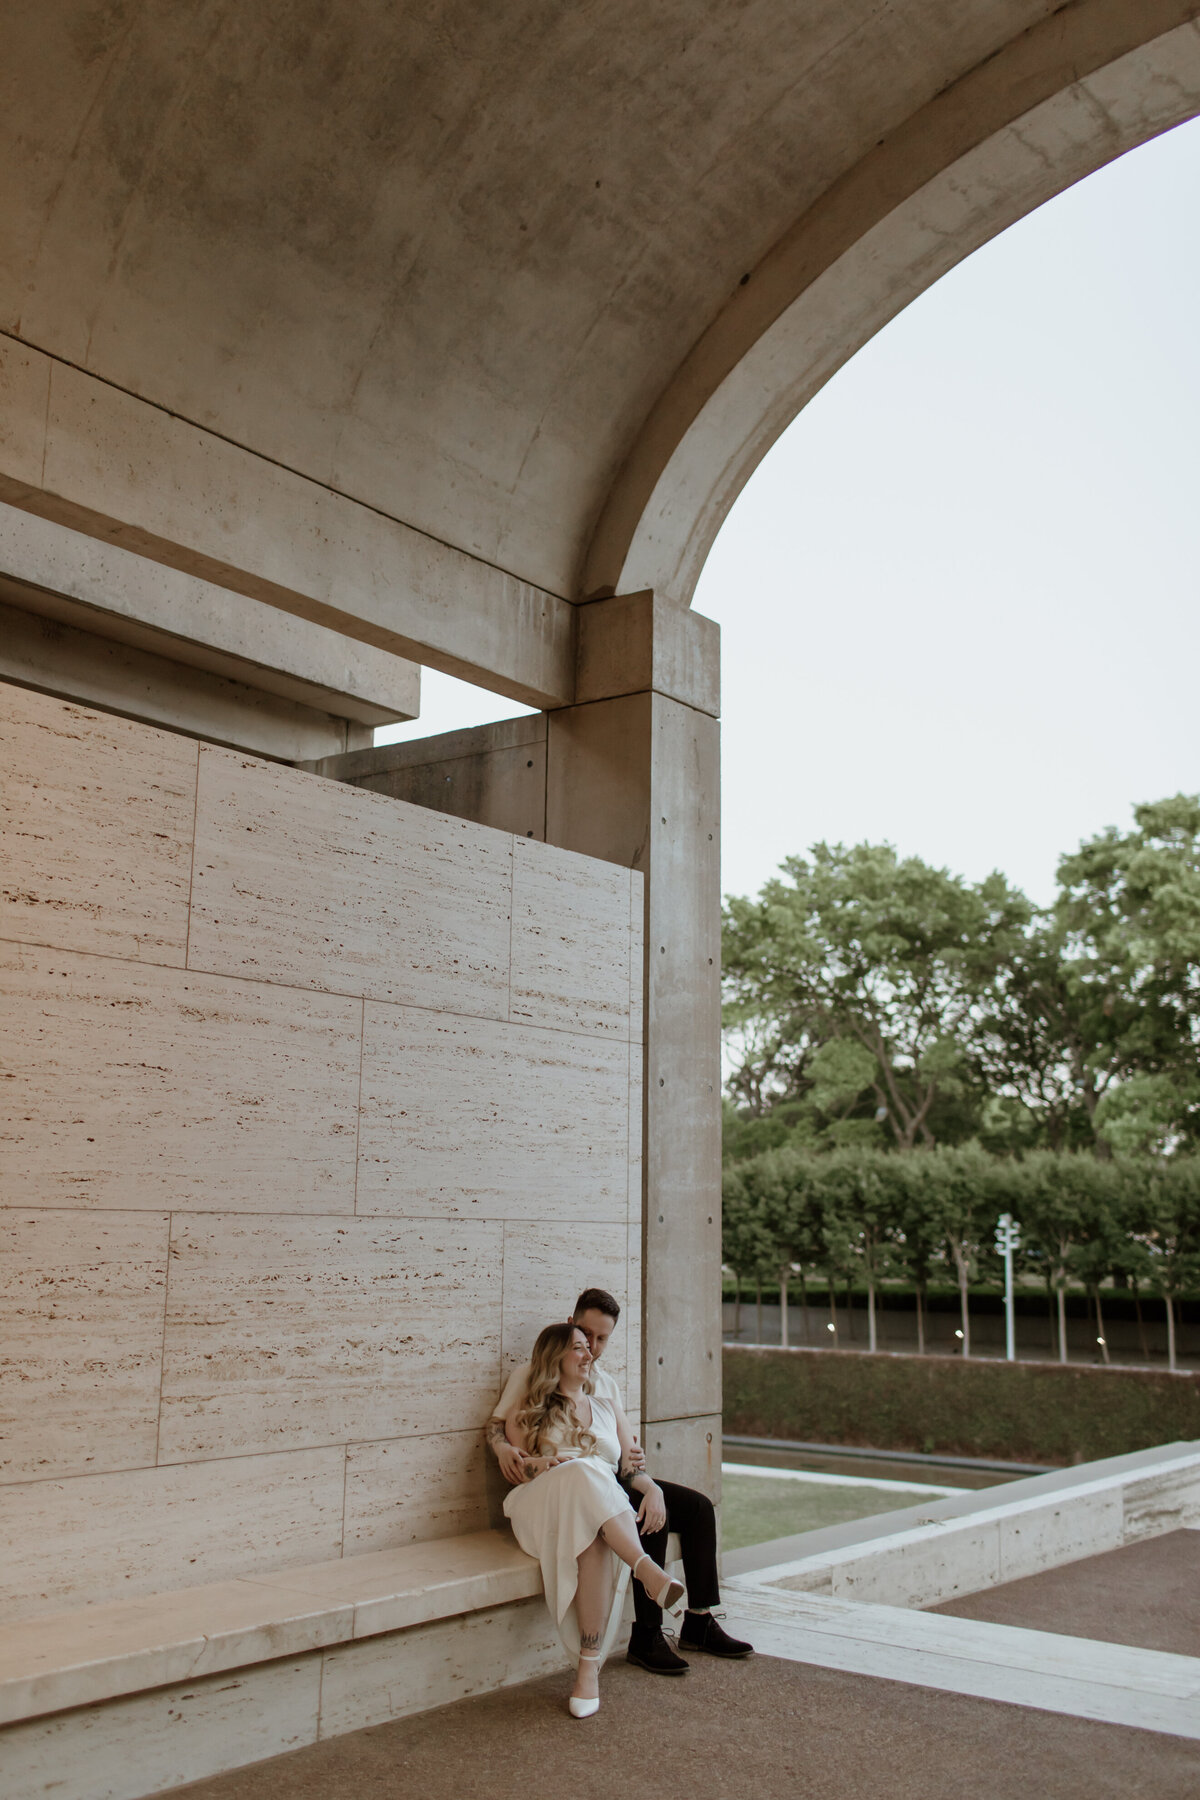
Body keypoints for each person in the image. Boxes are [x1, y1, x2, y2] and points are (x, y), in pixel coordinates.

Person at [488, 1287, 752, 1675]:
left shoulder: (605, 1387)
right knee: (641, 1514)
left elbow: (627, 1454)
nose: (591, 1348)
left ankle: (699, 1621)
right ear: (569, 1326)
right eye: (584, 1336)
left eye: (601, 1339)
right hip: (568, 1482)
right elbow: (500, 1426)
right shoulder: (530, 1376)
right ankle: (647, 1635)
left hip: (612, 1476)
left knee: (695, 1508)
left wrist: (649, 1482)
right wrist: (502, 1450)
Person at [501, 1320, 685, 1718]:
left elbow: (629, 1468)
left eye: (589, 1347)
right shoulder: (527, 1410)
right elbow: (519, 1469)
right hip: (542, 1504)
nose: (589, 1355)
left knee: (596, 1518)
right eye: (579, 1348)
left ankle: (588, 1669)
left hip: (597, 1508)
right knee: (583, 1472)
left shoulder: (606, 1407)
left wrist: (652, 1489)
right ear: (556, 1357)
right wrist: (547, 1463)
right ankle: (645, 1568)